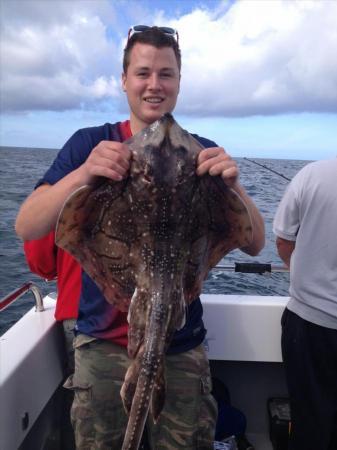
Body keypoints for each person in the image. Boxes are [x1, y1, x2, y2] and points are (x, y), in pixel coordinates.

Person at [15, 26, 265, 450]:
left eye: (166, 74)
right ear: (125, 79)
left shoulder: (202, 153)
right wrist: (84, 173)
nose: (154, 84)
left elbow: (255, 243)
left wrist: (234, 186)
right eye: (143, 72)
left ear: (179, 81)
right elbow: (27, 225)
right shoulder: (90, 144)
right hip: (100, 344)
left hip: (180, 342)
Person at [273, 158, 337, 450]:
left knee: (311, 424)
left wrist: (302, 270)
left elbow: (284, 241)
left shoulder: (313, 173)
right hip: (311, 324)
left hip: (310, 326)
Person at [24, 232, 81, 450]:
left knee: (88, 406)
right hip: (164, 313)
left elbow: (42, 263)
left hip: (83, 314)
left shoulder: (58, 197)